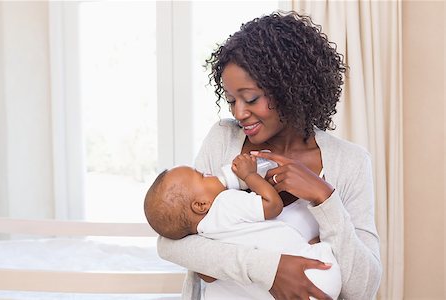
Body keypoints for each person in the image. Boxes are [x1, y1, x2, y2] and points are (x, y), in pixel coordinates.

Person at [157, 10, 382, 300]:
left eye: (251, 99)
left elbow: (363, 287)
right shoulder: (223, 140)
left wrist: (325, 199)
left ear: (291, 89)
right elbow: (173, 245)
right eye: (231, 100)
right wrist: (271, 270)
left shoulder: (349, 163)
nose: (239, 113)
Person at [144, 154, 342, 299]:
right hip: (318, 277)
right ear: (201, 205)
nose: (210, 173)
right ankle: (315, 248)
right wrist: (250, 176)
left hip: (298, 286)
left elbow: (209, 276)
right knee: (320, 247)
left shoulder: (203, 233)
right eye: (203, 176)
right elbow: (272, 205)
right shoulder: (225, 203)